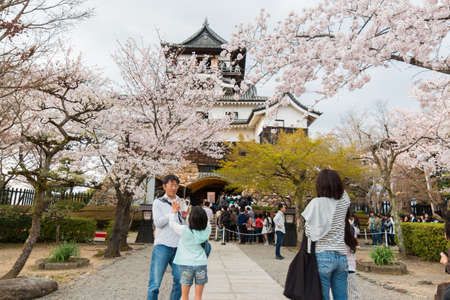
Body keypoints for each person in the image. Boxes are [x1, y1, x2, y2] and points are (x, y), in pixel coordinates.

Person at [302, 169, 350, 300]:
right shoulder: (344, 202)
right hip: (341, 256)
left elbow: (309, 233)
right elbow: (343, 193)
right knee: (342, 297)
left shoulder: (316, 203)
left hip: (322, 255)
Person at [148, 174, 187, 300]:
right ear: (165, 186)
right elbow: (158, 223)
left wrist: (185, 218)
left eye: (176, 185)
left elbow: (184, 226)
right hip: (163, 245)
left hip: (179, 246)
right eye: (171, 185)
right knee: (155, 283)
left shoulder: (181, 202)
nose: (174, 188)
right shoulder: (158, 203)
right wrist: (172, 212)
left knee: (181, 280)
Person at [169, 203, 211, 300]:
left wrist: (174, 212)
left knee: (184, 296)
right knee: (198, 296)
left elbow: (172, 224)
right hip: (201, 264)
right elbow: (205, 222)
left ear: (191, 219)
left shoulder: (184, 230)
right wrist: (188, 216)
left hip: (186, 264)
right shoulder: (207, 229)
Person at [345, 210, 359, 300]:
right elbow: (353, 247)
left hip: (344, 264)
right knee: (353, 291)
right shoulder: (352, 228)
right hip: (349, 264)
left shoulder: (341, 228)